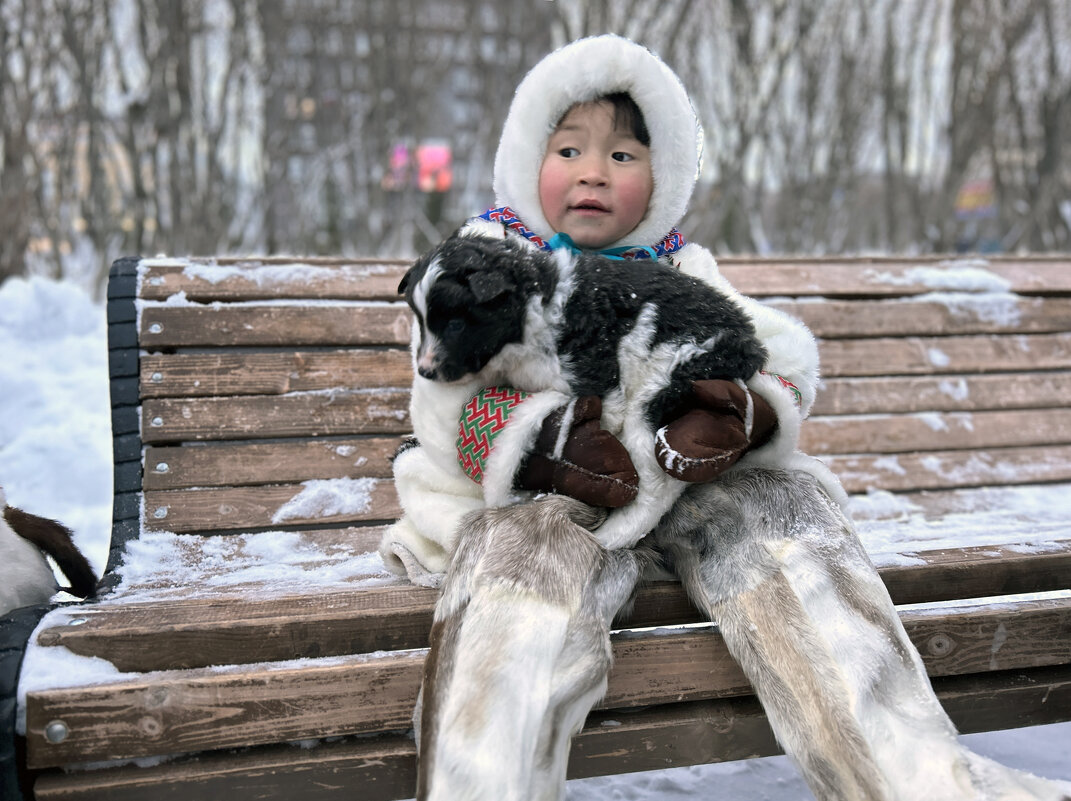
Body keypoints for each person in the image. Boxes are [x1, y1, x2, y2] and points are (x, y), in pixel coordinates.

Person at [380, 35, 1071, 801]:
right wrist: (541, 444)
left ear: (663, 173)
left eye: (622, 156)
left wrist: (747, 413)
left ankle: (921, 781)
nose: (590, 171)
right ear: (524, 158)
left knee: (786, 519)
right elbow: (445, 404)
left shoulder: (682, 270)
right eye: (567, 147)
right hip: (544, 504)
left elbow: (773, 358)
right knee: (513, 575)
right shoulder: (479, 270)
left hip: (685, 492)